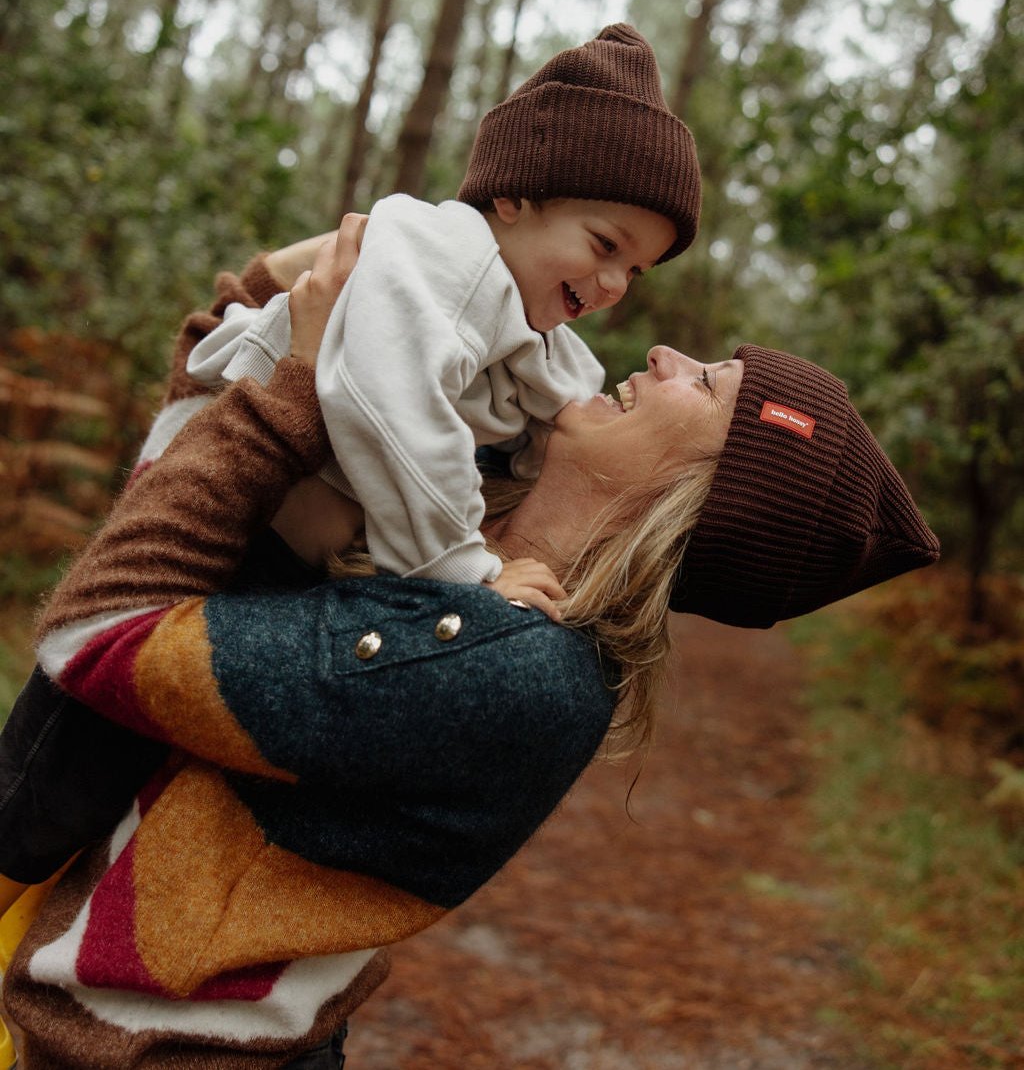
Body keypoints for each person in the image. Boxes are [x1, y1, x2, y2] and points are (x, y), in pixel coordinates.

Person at [1, 220, 939, 1067]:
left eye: (705, 385)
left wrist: (290, 395)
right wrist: (281, 294)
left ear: (697, 499)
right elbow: (199, 514)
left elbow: (101, 635)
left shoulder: (507, 665)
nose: (662, 351)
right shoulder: (453, 525)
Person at [186, 22, 701, 609]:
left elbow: (563, 388)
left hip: (269, 527)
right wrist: (465, 567)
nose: (615, 286)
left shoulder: (518, 301)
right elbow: (396, 401)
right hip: (217, 468)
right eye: (607, 246)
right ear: (512, 198)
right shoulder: (447, 256)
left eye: (636, 270)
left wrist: (559, 450)